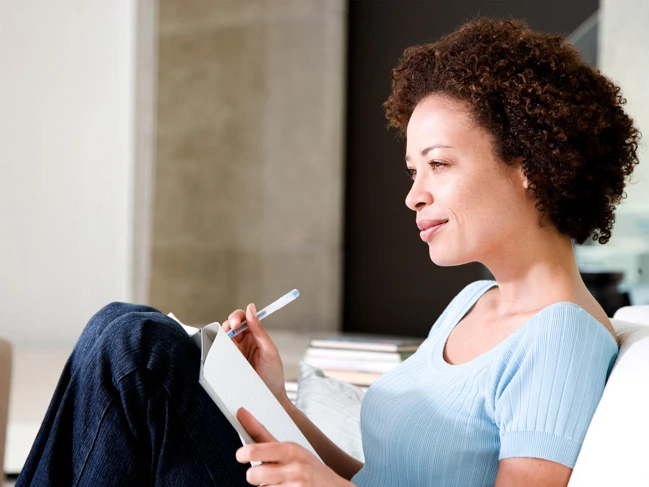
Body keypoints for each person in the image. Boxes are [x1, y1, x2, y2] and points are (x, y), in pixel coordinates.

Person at [18, 17, 640, 487]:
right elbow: (378, 475)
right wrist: (276, 402)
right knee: (124, 327)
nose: (414, 196)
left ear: (529, 165)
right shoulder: (474, 303)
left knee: (137, 350)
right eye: (411, 171)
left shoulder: (560, 338)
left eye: (439, 165)